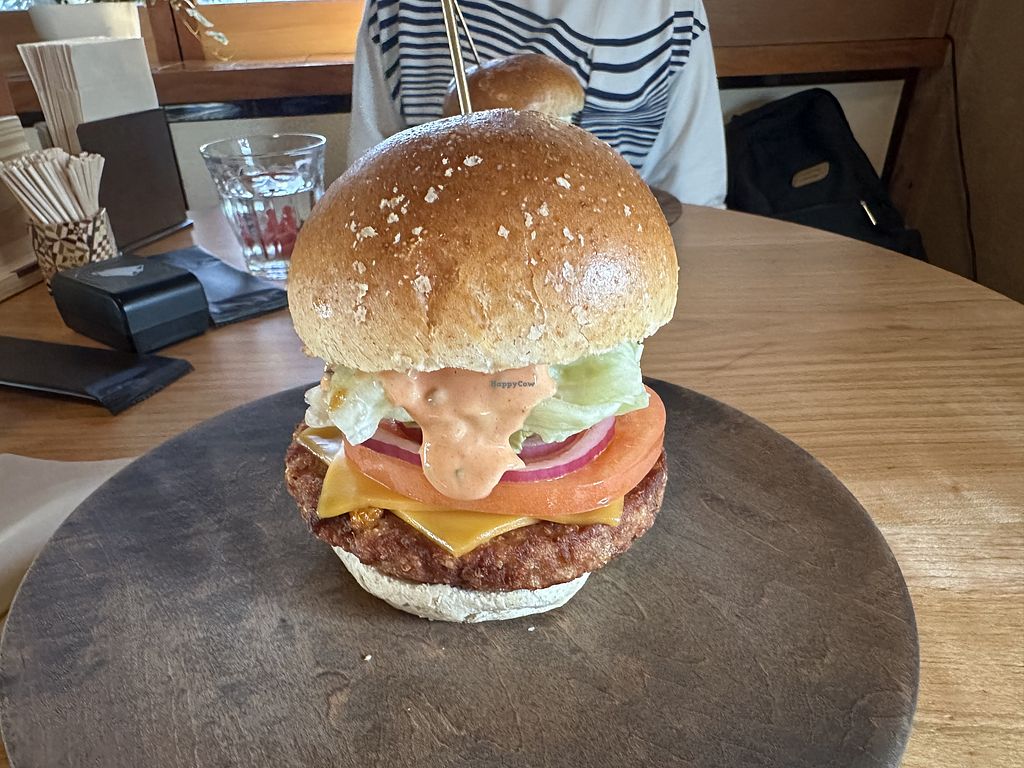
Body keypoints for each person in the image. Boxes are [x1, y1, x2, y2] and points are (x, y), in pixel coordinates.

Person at [347, 0, 727, 208]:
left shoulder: (672, 11)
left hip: (616, 267)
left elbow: (694, 193)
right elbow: (366, 190)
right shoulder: (397, 11)